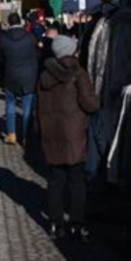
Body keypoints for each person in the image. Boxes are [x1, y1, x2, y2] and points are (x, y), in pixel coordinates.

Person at [37, 35, 100, 241]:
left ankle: (56, 223)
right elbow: (91, 105)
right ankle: (77, 223)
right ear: (71, 51)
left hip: (51, 133)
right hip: (73, 134)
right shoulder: (78, 73)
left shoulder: (45, 75)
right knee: (76, 180)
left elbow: (39, 108)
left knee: (55, 180)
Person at [0, 12, 39, 146]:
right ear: (20, 21)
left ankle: (11, 135)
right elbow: (36, 54)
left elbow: (1, 58)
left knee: (10, 104)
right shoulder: (30, 37)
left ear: (9, 23)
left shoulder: (3, 38)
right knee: (27, 107)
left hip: (11, 74)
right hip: (29, 75)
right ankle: (26, 136)